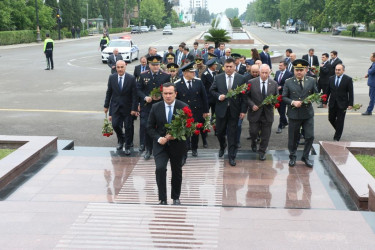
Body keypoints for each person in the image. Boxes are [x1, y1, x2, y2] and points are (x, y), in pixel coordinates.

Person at [147, 82, 188, 205]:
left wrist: (175, 135)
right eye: (165, 93)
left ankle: (175, 197)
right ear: (162, 94)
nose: (168, 96)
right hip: (160, 145)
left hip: (177, 145)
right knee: (160, 169)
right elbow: (149, 127)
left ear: (175, 94)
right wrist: (159, 138)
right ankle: (162, 198)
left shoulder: (183, 107)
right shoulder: (155, 107)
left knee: (176, 170)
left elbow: (188, 127)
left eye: (170, 93)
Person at [209, 58, 247, 166]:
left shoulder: (241, 78)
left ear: (235, 67)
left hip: (234, 111)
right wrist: (218, 96)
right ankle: (222, 146)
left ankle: (232, 156)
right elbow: (212, 90)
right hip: (221, 110)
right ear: (224, 67)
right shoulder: (218, 77)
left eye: (231, 67)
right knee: (219, 132)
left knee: (232, 134)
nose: (229, 69)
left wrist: (243, 111)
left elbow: (244, 96)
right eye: (227, 66)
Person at [282, 59, 318, 168]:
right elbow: (283, 97)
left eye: (301, 70)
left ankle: (305, 157)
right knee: (293, 138)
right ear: (294, 70)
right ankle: (292, 157)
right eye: (297, 70)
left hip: (307, 114)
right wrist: (293, 102)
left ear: (306, 70)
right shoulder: (288, 81)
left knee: (310, 136)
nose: (299, 72)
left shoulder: (311, 81)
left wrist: (314, 98)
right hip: (294, 114)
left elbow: (316, 94)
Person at [137, 55, 170, 160]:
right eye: (153, 65)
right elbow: (138, 90)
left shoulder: (165, 76)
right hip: (147, 106)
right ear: (149, 65)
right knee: (147, 127)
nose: (155, 67)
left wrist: (161, 96)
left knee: (161, 127)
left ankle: (161, 148)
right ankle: (148, 149)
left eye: (157, 65)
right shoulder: (143, 75)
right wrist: (145, 97)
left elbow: (169, 89)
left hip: (160, 105)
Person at [175, 62, 209, 157]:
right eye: (191, 72)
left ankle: (194, 148)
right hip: (184, 113)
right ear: (185, 73)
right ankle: (185, 148)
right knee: (185, 132)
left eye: (194, 71)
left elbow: (204, 97)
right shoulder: (177, 84)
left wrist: (206, 111)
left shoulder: (198, 81)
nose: (194, 73)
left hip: (197, 111)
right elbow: (176, 100)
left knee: (195, 131)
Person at [104, 60, 138, 155]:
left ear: (125, 67)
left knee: (128, 127)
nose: (120, 69)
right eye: (118, 67)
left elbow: (134, 95)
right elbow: (109, 92)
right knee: (115, 125)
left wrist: (134, 109)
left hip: (128, 108)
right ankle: (121, 139)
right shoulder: (112, 77)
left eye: (122, 67)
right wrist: (106, 105)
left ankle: (127, 146)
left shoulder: (131, 78)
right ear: (116, 67)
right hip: (115, 107)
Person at [246, 64, 278, 160]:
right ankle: (253, 141)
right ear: (259, 72)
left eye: (266, 73)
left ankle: (262, 151)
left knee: (266, 134)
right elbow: (246, 96)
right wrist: (252, 105)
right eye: (262, 72)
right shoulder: (251, 82)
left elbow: (277, 97)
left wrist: (272, 102)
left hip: (267, 113)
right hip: (254, 113)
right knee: (253, 131)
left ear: (269, 73)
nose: (264, 75)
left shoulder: (274, 84)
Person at [323, 64, 353, 141]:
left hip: (343, 104)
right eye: (336, 70)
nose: (337, 71)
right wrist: (325, 101)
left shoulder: (348, 79)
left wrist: (350, 104)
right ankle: (339, 129)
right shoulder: (331, 78)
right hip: (332, 103)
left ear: (343, 70)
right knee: (331, 118)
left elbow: (351, 92)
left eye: (339, 70)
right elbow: (327, 91)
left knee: (340, 120)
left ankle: (337, 137)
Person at [274, 61, 293, 133]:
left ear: (285, 66)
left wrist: (281, 87)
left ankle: (280, 126)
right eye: (279, 65)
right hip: (277, 95)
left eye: (281, 65)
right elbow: (275, 81)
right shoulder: (277, 72)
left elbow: (289, 84)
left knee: (282, 110)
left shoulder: (289, 74)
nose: (279, 67)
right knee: (279, 109)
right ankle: (284, 121)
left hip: (284, 95)